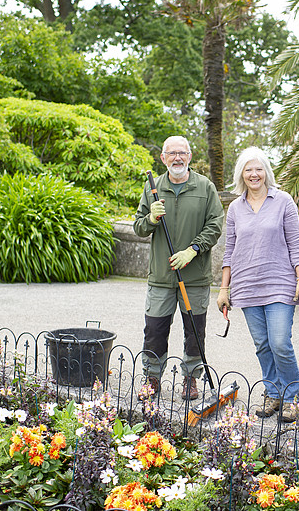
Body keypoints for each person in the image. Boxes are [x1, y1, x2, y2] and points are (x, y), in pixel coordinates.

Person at [216, 147, 299, 422]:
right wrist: (224, 289)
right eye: (248, 169)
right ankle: (272, 392)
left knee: (279, 342)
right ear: (241, 175)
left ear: (266, 172)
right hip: (246, 286)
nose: (254, 174)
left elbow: (296, 243)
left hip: (280, 282)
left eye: (258, 169)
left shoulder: (283, 201)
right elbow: (229, 249)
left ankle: (293, 396)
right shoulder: (235, 207)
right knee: (262, 344)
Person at [134, 135, 224, 401]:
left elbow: (215, 225)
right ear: (163, 158)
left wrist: (191, 250)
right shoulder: (153, 188)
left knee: (194, 330)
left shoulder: (205, 187)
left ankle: (190, 379)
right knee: (155, 329)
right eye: (171, 153)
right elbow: (139, 226)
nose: (177, 158)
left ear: (189, 156)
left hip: (194, 277)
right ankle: (152, 378)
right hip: (161, 277)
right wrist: (150, 218)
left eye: (181, 153)